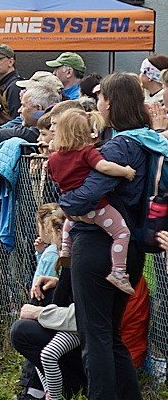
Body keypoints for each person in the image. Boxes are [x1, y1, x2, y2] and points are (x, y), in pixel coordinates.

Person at [57, 72, 149, 400]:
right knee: (110, 334)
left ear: (111, 102)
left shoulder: (115, 149)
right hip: (128, 246)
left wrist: (64, 201)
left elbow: (81, 197)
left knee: (94, 334)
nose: (96, 102)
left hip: (97, 245)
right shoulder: (147, 143)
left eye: (100, 97)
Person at [0, 203, 81, 400]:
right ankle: (43, 392)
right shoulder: (66, 259)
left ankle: (51, 398)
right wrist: (55, 281)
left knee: (44, 351)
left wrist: (38, 314)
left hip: (79, 329)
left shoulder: (74, 258)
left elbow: (82, 313)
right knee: (29, 332)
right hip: (69, 323)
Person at [48, 108, 137, 294]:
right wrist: (126, 171)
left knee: (69, 222)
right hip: (96, 209)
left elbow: (55, 179)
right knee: (121, 233)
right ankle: (119, 272)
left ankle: (65, 248)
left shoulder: (53, 159)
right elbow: (104, 167)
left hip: (71, 212)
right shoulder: (86, 153)